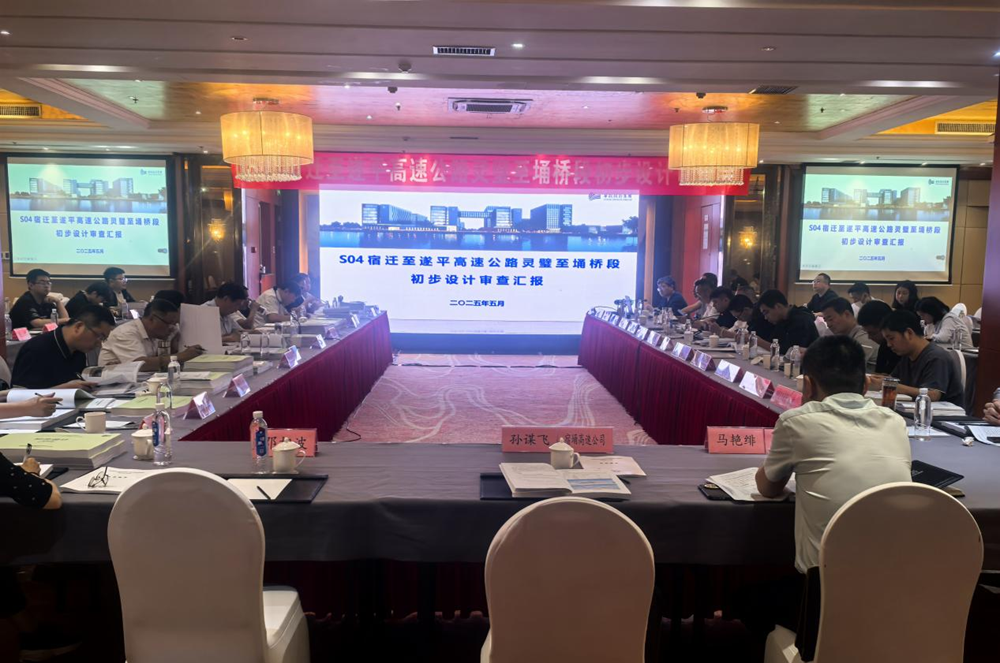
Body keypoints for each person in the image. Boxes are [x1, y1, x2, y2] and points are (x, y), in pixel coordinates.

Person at [753, 335, 911, 660]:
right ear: (865, 385)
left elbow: (768, 488)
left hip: (823, 599)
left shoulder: (797, 421)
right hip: (895, 595)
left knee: (747, 601)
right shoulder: (895, 423)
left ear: (808, 385)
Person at [11, 305, 115, 390]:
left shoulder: (78, 349)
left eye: (103, 339)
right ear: (78, 327)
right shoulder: (37, 349)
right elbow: (17, 396)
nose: (99, 344)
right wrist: (62, 389)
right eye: (99, 336)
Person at [876, 310, 965, 405]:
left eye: (891, 338)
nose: (889, 345)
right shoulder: (907, 356)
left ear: (909, 333)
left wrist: (891, 386)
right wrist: (875, 381)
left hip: (941, 412)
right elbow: (892, 380)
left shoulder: (937, 357)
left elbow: (933, 395)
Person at [98, 299, 202, 371]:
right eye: (169, 323)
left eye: (174, 324)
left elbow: (158, 358)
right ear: (152, 319)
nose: (172, 328)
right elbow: (141, 365)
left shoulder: (155, 333)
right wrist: (181, 356)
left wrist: (174, 345)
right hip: (110, 386)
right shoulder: (125, 333)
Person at [820, 298, 877, 370]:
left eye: (830, 319)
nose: (828, 324)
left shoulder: (864, 336)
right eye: (826, 321)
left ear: (847, 314)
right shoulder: (841, 336)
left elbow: (848, 368)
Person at [757, 290, 820, 354]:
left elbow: (790, 351)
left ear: (778, 306)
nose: (765, 317)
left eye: (766, 312)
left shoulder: (801, 320)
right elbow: (773, 341)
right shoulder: (782, 319)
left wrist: (759, 342)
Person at [857, 300, 900, 375]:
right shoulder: (883, 346)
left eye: (873, 333)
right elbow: (879, 374)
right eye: (867, 333)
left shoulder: (900, 350)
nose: (869, 337)